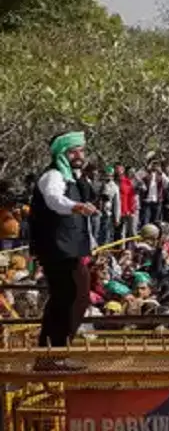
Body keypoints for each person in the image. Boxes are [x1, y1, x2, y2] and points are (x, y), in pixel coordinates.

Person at [29, 131, 98, 368]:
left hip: (68, 247)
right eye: (73, 150)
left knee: (69, 297)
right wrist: (76, 206)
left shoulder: (74, 179)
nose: (79, 154)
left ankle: (51, 354)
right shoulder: (53, 176)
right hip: (57, 247)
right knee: (73, 296)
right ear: (61, 153)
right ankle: (53, 354)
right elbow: (54, 200)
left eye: (81, 149)